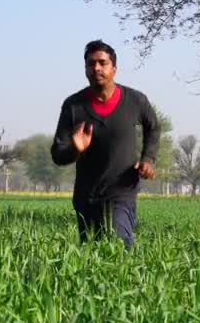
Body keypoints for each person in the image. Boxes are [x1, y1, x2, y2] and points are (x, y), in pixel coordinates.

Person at [51, 39, 161, 249]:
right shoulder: (73, 106)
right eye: (91, 64)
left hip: (122, 192)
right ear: (85, 69)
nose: (96, 68)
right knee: (91, 255)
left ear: (114, 68)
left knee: (118, 245)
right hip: (86, 196)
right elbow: (57, 154)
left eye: (102, 63)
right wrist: (76, 149)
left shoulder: (136, 101)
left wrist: (147, 158)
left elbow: (154, 127)